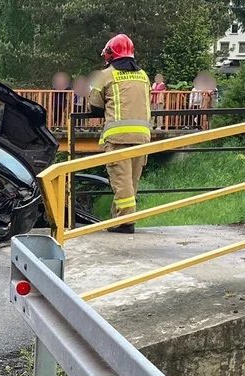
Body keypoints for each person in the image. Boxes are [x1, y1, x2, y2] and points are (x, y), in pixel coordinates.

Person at [88, 34, 151, 234]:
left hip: (118, 137)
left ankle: (126, 223)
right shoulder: (144, 76)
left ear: (109, 55)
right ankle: (120, 219)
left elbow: (95, 107)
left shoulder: (105, 75)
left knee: (121, 181)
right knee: (131, 182)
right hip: (142, 136)